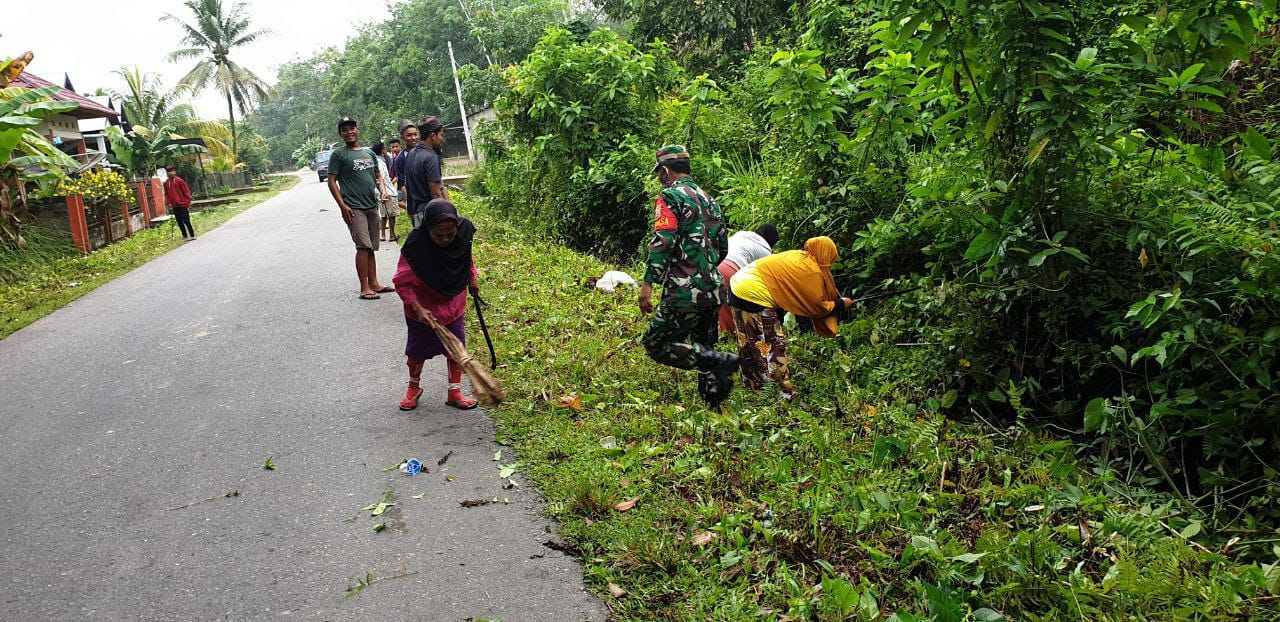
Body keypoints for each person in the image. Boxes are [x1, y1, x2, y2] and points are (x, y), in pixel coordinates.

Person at [637, 145, 737, 407]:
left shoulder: (670, 197)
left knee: (656, 343)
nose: (660, 178)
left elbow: (663, 241)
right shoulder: (709, 200)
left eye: (660, 172)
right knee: (705, 343)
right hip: (713, 287)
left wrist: (648, 283)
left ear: (667, 170)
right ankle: (713, 405)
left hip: (683, 290)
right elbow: (722, 246)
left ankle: (713, 361)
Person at [728, 236, 854, 400]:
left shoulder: (798, 256)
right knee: (773, 344)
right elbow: (816, 306)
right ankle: (784, 391)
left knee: (748, 340)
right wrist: (841, 304)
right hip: (754, 294)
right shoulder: (812, 270)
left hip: (737, 286)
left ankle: (754, 385)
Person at [393, 199, 481, 411]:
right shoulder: (415, 248)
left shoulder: (463, 234)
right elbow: (401, 282)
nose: (445, 239)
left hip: (453, 307)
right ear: (428, 229)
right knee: (417, 352)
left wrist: (472, 277)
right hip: (423, 312)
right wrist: (417, 308)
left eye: (450, 234)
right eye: (438, 235)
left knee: (456, 350)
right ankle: (413, 388)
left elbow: (466, 258)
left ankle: (454, 391)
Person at [326, 116, 393, 300]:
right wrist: (342, 205)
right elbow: (332, 182)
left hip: (372, 205)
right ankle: (364, 287)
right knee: (362, 246)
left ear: (357, 130)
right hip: (353, 207)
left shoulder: (369, 154)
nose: (349, 132)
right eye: (345, 129)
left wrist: (383, 189)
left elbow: (378, 175)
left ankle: (374, 283)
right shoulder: (339, 155)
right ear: (341, 134)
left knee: (371, 246)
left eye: (352, 128)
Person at [717, 224, 778, 333]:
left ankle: (724, 335)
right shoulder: (765, 251)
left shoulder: (740, 235)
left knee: (722, 306)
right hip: (732, 270)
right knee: (739, 307)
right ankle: (737, 335)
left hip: (716, 267)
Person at [403, 116, 446, 229]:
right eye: (441, 135)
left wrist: (410, 210)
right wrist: (445, 215)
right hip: (431, 214)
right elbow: (436, 194)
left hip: (417, 213)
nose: (441, 139)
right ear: (433, 135)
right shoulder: (431, 157)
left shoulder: (411, 153)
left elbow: (408, 185)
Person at [371, 141, 399, 242]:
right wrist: (383, 191)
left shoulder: (375, 161)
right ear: (383, 150)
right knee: (391, 215)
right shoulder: (380, 162)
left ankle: (382, 235)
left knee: (383, 215)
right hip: (387, 191)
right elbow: (380, 178)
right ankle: (392, 235)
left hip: (381, 192)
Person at [163, 164, 196, 241]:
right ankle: (184, 236)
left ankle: (192, 234)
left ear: (175, 171)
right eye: (168, 172)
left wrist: (187, 203)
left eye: (172, 171)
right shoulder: (167, 183)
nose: (170, 173)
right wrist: (168, 203)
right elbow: (167, 194)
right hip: (175, 206)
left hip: (182, 205)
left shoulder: (179, 181)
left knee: (186, 220)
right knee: (179, 222)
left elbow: (187, 192)